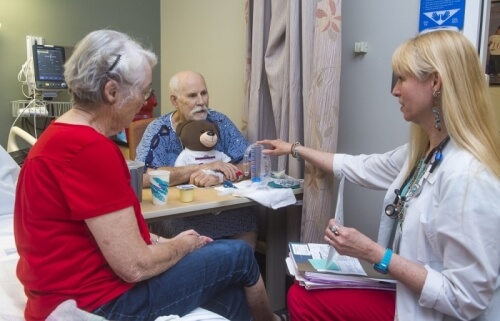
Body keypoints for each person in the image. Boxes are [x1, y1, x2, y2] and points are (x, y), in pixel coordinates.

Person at [14, 29, 281, 321]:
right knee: (238, 256)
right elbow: (135, 266)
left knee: (231, 295)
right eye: (143, 92)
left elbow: (111, 235)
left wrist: (167, 242)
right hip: (102, 304)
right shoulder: (90, 150)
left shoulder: (56, 136)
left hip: (65, 295)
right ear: (112, 92)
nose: (144, 103)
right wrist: (185, 244)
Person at [259, 30, 500, 320]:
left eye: (402, 78)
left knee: (302, 300)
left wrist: (375, 254)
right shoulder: (423, 152)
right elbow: (356, 165)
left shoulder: (469, 176)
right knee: (303, 288)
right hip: (408, 295)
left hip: (435, 312)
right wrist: (293, 149)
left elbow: (467, 299)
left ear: (435, 82)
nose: (395, 90)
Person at [135, 71, 258, 249]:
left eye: (204, 93)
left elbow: (254, 164)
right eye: (192, 96)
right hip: (178, 214)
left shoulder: (219, 122)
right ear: (174, 101)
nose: (201, 102)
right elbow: (143, 176)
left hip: (223, 208)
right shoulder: (159, 131)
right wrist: (201, 168)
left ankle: (244, 272)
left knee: (246, 216)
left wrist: (221, 176)